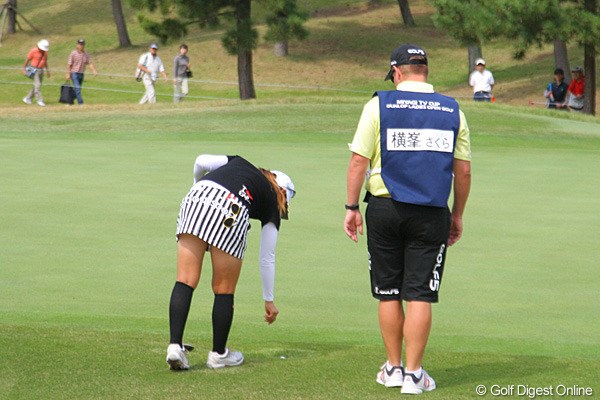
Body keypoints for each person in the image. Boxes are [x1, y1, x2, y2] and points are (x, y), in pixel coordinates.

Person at [344, 44, 471, 395]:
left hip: (385, 209)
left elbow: (358, 162)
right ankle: (414, 375)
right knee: (419, 294)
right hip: (431, 212)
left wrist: (351, 207)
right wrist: (457, 214)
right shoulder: (452, 109)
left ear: (397, 72)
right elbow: (462, 171)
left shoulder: (378, 104)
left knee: (388, 293)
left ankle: (394, 368)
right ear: (424, 71)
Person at [166, 154, 296, 371]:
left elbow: (200, 162)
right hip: (231, 208)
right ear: (282, 192)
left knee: (185, 279)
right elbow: (267, 257)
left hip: (195, 198)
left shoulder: (239, 161)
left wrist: (197, 188)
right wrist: (269, 301)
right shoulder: (272, 202)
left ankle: (174, 346)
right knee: (223, 288)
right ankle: (218, 354)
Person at [65, 38, 98, 105]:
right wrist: (68, 74)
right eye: (80, 44)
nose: (81, 46)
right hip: (74, 73)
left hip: (81, 74)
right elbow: (69, 65)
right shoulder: (73, 53)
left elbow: (90, 63)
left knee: (78, 89)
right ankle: (81, 103)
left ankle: (70, 102)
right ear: (77, 45)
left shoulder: (86, 54)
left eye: (82, 44)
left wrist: (94, 70)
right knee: (77, 88)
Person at [22, 39, 51, 107]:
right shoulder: (33, 51)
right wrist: (24, 69)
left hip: (41, 70)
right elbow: (27, 60)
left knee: (37, 85)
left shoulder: (45, 53)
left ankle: (28, 98)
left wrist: (47, 71)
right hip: (34, 70)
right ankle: (39, 100)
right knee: (37, 85)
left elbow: (45, 62)